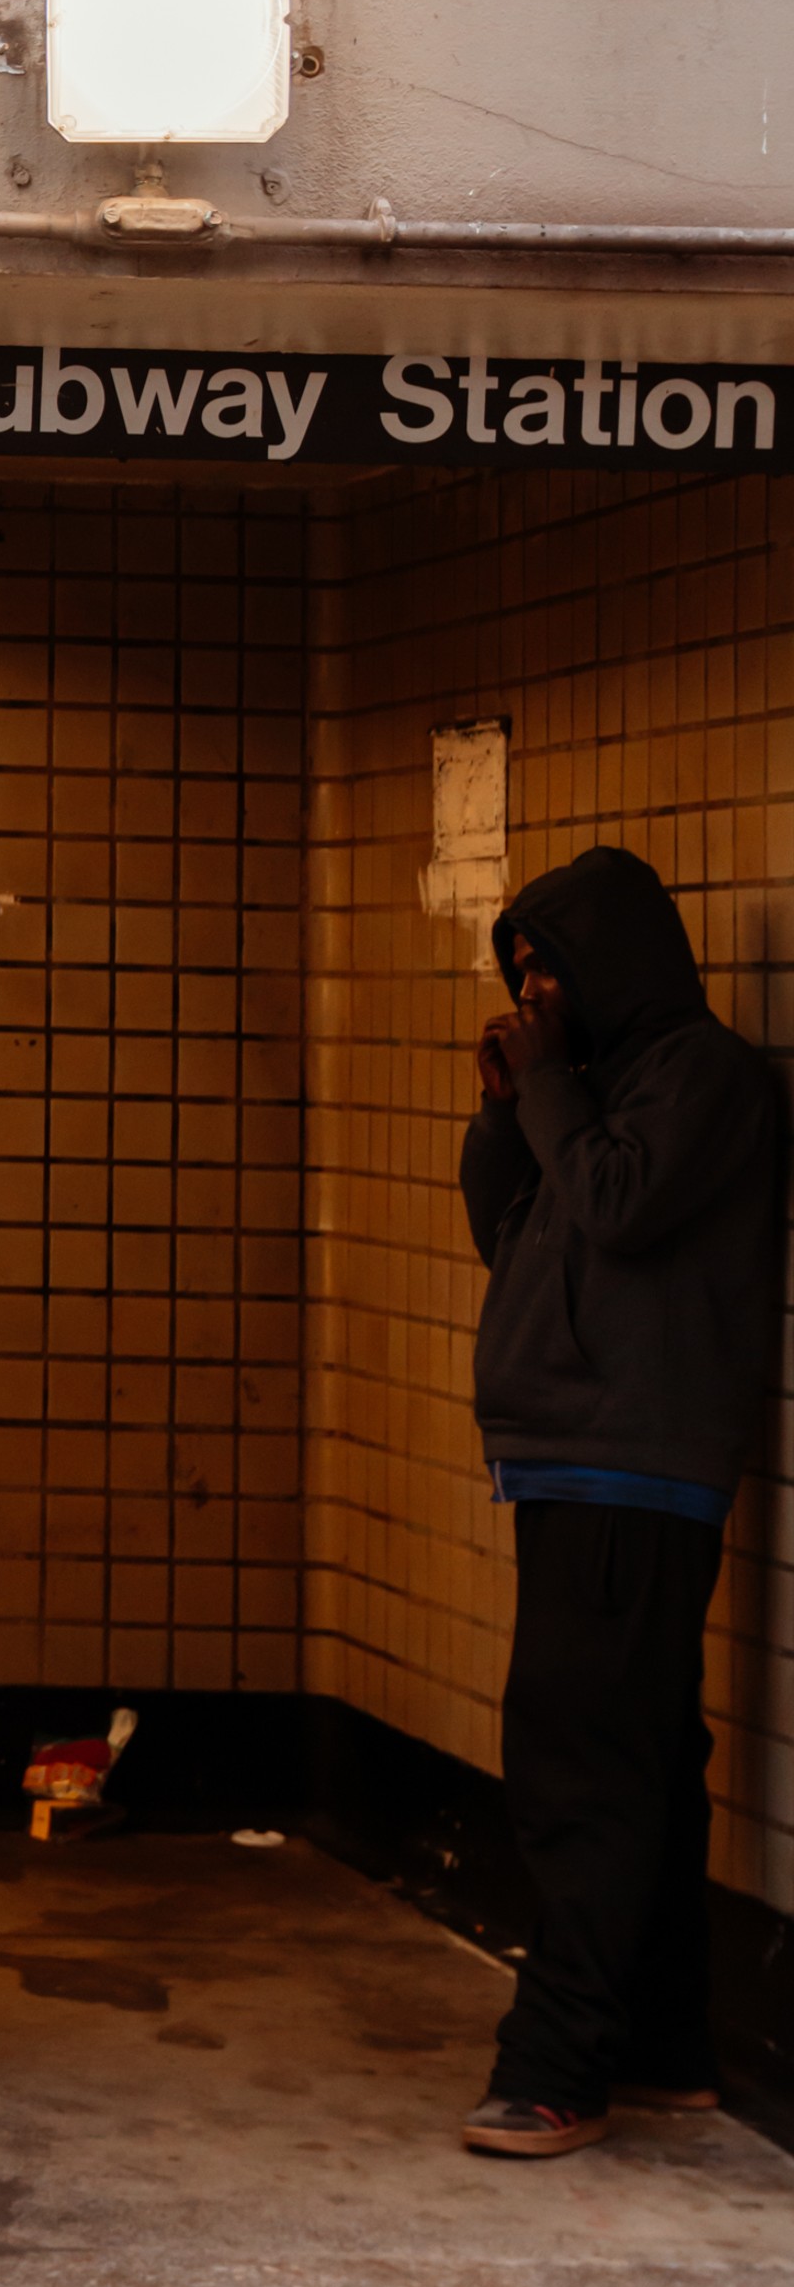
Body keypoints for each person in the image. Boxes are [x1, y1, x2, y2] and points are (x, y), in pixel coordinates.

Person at [456, 850, 784, 2164]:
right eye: (520, 972)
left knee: (575, 1753)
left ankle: (555, 2067)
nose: (533, 995)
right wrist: (508, 1108)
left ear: (614, 966)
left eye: (549, 969)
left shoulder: (706, 1079)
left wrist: (549, 1089)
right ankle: (660, 2044)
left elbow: (619, 1204)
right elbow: (513, 1224)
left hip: (631, 1463)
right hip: (574, 1458)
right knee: (637, 1747)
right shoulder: (588, 1090)